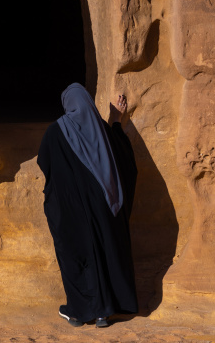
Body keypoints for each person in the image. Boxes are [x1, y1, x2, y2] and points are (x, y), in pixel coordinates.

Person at [37, 82, 138, 328]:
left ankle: (79, 312)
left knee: (76, 256)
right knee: (104, 253)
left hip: (71, 213)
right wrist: (115, 120)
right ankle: (104, 312)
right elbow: (124, 159)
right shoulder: (102, 131)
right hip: (104, 211)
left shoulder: (54, 132)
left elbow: (44, 162)